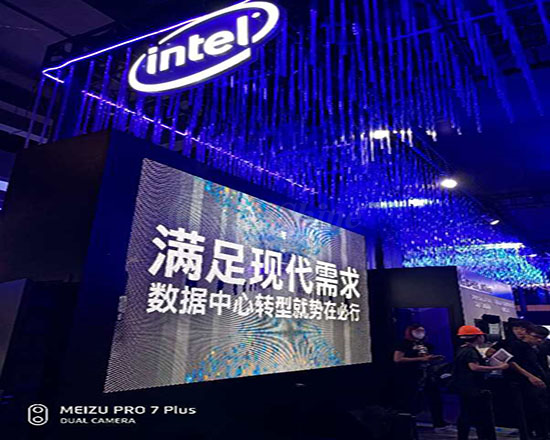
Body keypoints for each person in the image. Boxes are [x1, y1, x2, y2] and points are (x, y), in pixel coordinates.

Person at [453, 325, 509, 440]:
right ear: (477, 337)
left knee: (466, 414)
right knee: (480, 416)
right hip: (474, 388)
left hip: (464, 387)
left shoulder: (462, 349)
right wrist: (498, 367)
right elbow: (474, 367)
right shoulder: (470, 351)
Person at [393, 324, 450, 432]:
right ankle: (408, 426)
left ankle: (439, 423)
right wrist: (419, 359)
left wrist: (431, 358)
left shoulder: (423, 344)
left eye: (422, 331)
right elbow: (397, 359)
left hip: (426, 374)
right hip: (410, 376)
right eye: (417, 331)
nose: (420, 333)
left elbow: (424, 357)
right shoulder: (403, 344)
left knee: (435, 398)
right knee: (411, 400)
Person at [508, 324, 550, 439]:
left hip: (539, 382)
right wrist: (530, 376)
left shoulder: (537, 348)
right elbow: (511, 363)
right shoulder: (516, 345)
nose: (539, 340)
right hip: (523, 384)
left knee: (542, 411)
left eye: (542, 338)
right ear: (527, 333)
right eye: (536, 337)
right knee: (529, 413)